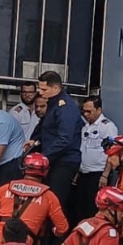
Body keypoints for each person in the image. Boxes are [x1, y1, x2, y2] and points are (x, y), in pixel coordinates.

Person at [0, 152, 69, 245]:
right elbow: (62, 228)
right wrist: (53, 231)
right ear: (45, 171)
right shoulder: (49, 196)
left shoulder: (7, 187)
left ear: (23, 168)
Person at [29, 71, 83, 217]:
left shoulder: (66, 107)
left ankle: (58, 236)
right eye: (40, 88)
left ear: (56, 88)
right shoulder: (52, 104)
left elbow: (65, 138)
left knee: (55, 202)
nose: (40, 92)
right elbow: (45, 126)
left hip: (64, 160)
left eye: (44, 89)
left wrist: (44, 157)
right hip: (53, 159)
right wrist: (34, 140)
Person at [73, 97, 118, 221]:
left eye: (89, 111)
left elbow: (112, 152)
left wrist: (105, 174)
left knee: (93, 209)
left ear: (98, 110)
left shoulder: (107, 126)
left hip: (98, 174)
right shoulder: (85, 127)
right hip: (84, 173)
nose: (86, 114)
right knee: (80, 209)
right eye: (84, 111)